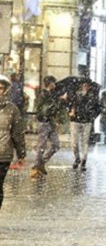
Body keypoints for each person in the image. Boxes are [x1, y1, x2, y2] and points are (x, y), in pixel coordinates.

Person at [30, 76, 65, 179]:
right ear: (49, 83)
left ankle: (41, 163)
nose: (55, 84)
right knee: (41, 146)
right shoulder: (43, 94)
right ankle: (36, 167)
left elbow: (54, 108)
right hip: (44, 123)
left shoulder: (51, 94)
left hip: (51, 123)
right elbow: (47, 109)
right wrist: (59, 100)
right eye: (53, 82)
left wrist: (60, 100)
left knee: (56, 145)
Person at [0, 75, 26, 210]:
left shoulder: (12, 109)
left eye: (0, 88)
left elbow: (17, 133)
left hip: (3, 154)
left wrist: (21, 154)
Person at [68, 81, 101, 171]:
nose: (84, 86)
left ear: (89, 86)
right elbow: (70, 105)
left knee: (85, 142)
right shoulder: (76, 95)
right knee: (74, 142)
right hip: (75, 121)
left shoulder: (93, 97)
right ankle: (77, 158)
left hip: (87, 121)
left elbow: (99, 108)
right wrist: (70, 112)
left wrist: (92, 117)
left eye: (86, 85)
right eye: (83, 85)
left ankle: (84, 161)